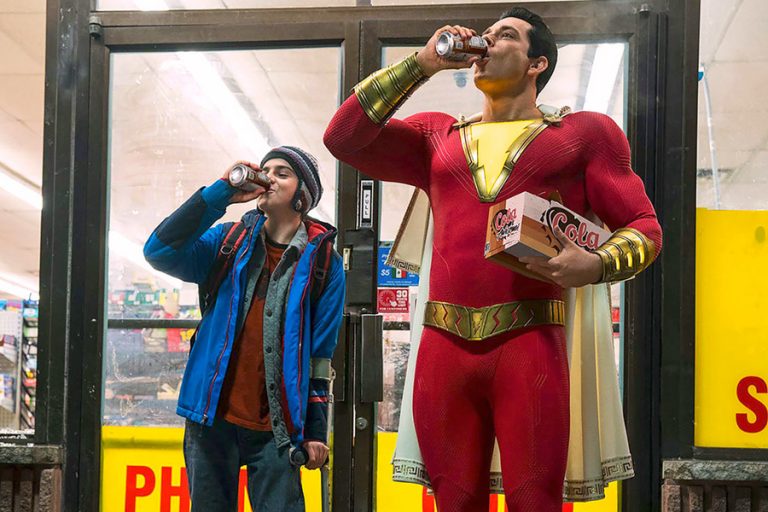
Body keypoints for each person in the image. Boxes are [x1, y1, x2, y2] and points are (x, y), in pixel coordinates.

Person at [324, 7, 661, 512]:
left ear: (536, 64)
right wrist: (422, 63)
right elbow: (343, 137)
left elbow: (645, 227)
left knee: (535, 502)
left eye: (504, 36)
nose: (485, 42)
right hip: (443, 346)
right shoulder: (435, 136)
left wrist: (596, 265)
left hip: (530, 343)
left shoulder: (583, 134)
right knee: (454, 503)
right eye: (484, 34)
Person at [144, 146, 345, 511]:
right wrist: (220, 193)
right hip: (210, 421)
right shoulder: (228, 242)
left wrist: (316, 431)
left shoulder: (324, 264)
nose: (269, 178)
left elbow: (319, 356)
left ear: (302, 195)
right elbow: (158, 251)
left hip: (276, 430)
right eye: (266, 170)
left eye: (282, 173)